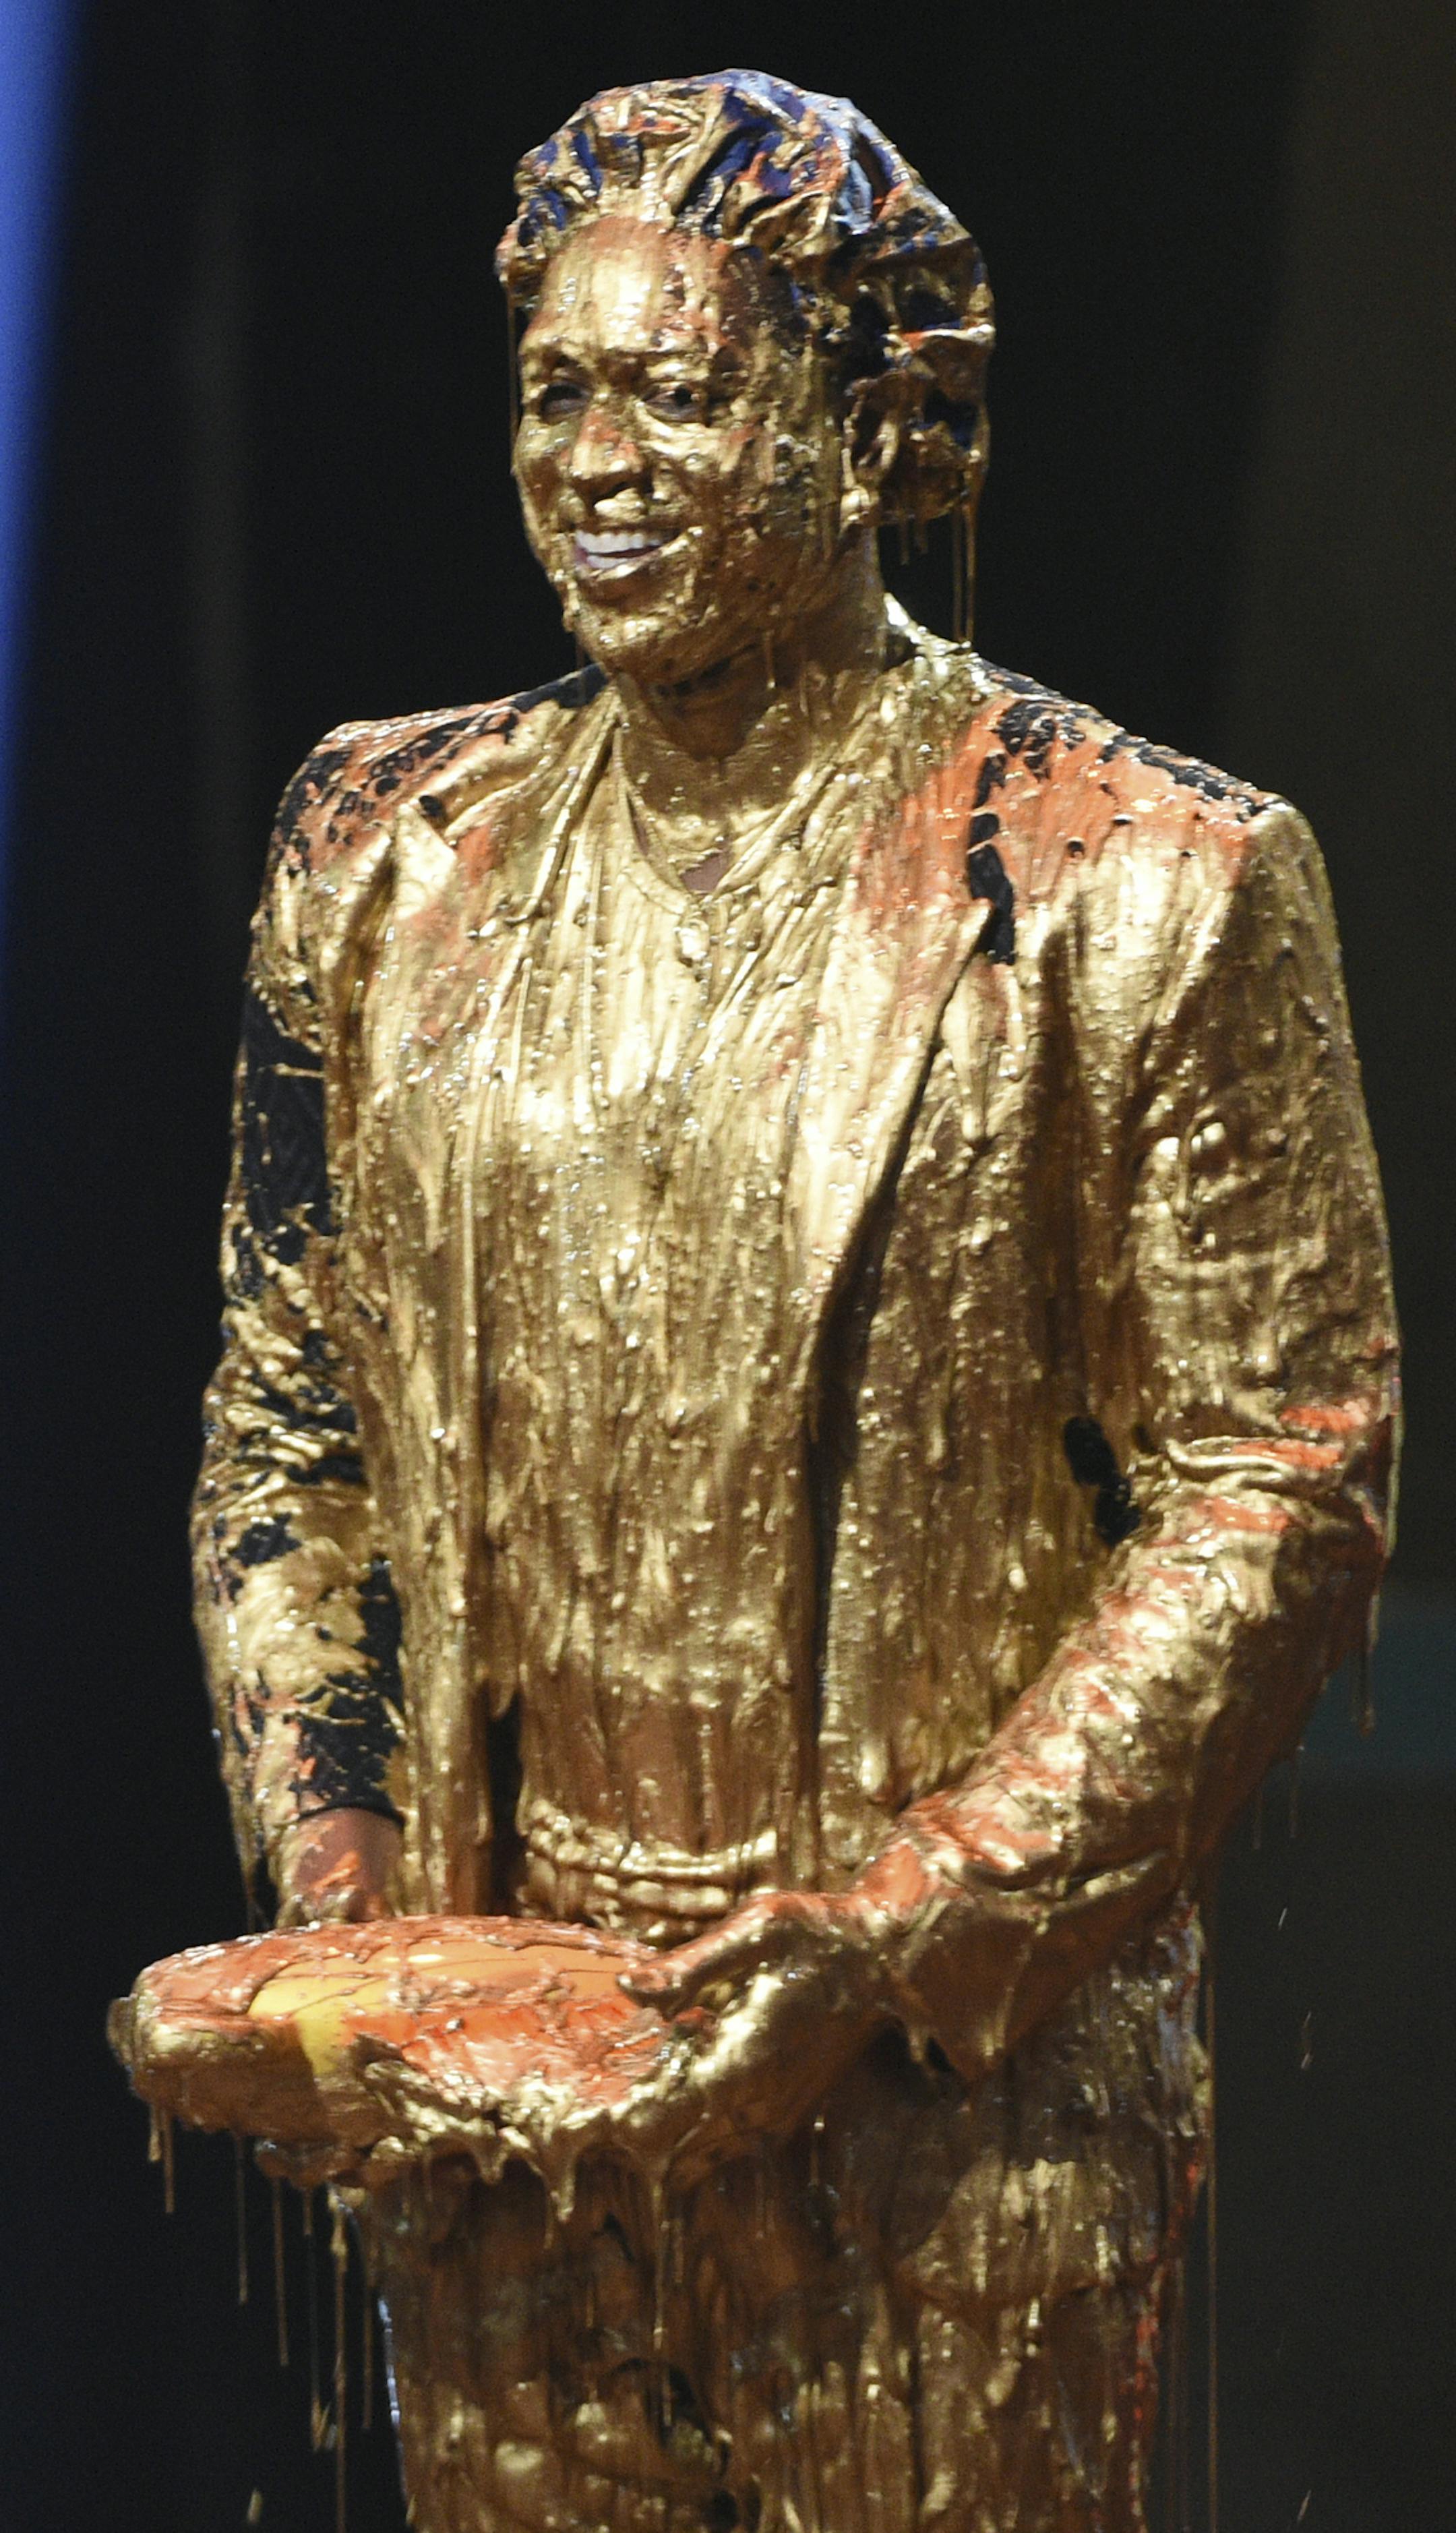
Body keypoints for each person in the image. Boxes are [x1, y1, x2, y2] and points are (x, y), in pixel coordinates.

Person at [192, 71, 1398, 2533]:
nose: (598, 459)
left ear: (868, 431)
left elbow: (1287, 1480)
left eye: (677, 387)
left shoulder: (1136, 884)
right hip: (508, 2134)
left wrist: (892, 1931)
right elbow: (292, 1422)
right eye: (555, 390)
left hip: (949, 2134)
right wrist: (349, 1907)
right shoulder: (381, 850)